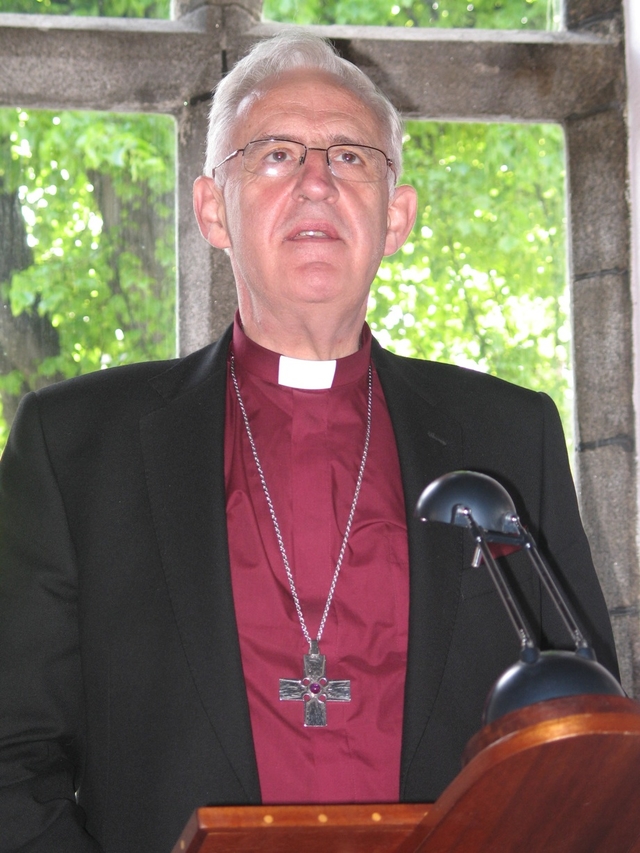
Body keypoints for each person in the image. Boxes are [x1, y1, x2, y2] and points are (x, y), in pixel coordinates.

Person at [0, 30, 618, 853]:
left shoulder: (509, 436)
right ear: (212, 209)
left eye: (353, 157)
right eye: (277, 154)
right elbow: (12, 757)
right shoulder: (75, 445)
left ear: (396, 218)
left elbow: (585, 748)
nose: (318, 181)